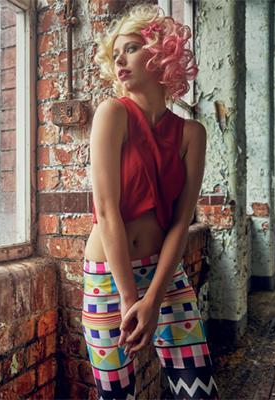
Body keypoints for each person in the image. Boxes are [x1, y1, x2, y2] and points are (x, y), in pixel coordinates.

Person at [81, 3, 219, 400]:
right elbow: (106, 212)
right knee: (116, 394)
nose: (120, 59)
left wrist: (153, 299)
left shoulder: (192, 133)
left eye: (133, 48)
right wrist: (130, 298)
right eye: (116, 53)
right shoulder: (112, 113)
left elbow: (180, 222)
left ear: (162, 53)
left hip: (165, 275)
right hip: (108, 276)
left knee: (198, 391)